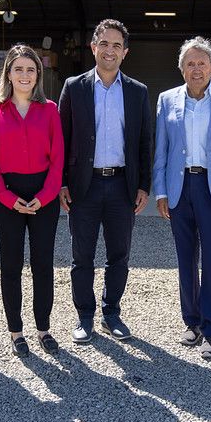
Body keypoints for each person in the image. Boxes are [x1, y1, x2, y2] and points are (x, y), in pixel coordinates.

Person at [153, 36, 211, 359]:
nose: (196, 69)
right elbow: (162, 150)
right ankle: (191, 322)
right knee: (185, 259)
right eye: (190, 64)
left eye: (201, 63)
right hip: (180, 188)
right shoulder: (167, 100)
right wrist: (161, 191)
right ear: (181, 69)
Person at [58, 18, 152, 344]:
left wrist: (144, 186)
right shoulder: (74, 87)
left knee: (119, 255)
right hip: (84, 185)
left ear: (124, 52)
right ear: (93, 46)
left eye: (116, 45)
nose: (109, 50)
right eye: (104, 43)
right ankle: (84, 316)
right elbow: (61, 139)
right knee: (81, 255)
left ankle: (111, 312)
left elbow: (144, 143)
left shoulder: (138, 92)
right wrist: (62, 183)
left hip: (122, 186)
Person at [0, 44, 63, 357]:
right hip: (8, 196)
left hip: (44, 195)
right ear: (9, 74)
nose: (25, 75)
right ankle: (16, 332)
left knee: (43, 264)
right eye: (19, 69)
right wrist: (5, 196)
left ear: (38, 75)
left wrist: (44, 197)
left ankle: (43, 328)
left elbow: (58, 160)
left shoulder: (50, 109)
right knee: (11, 265)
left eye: (30, 69)